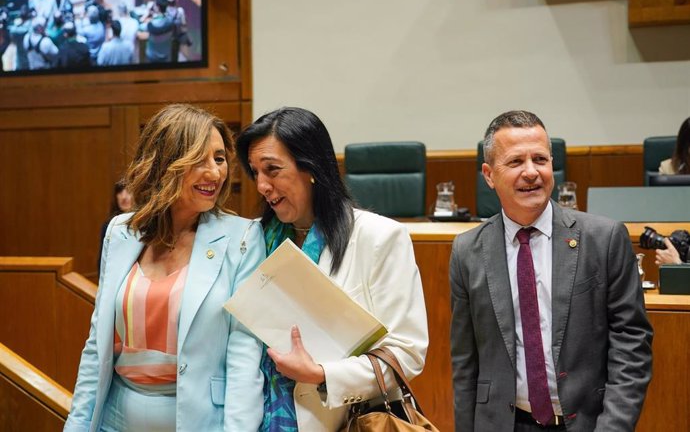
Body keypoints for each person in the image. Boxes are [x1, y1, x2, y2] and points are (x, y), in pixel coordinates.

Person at [65, 104, 266, 431]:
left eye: (219, 158)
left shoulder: (242, 238)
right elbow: (96, 343)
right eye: (199, 160)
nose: (215, 173)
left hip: (200, 421)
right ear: (166, 163)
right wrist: (77, 425)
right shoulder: (121, 232)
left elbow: (244, 357)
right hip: (114, 419)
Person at [450, 110, 653, 432]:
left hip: (588, 423)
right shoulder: (467, 251)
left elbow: (631, 343)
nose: (531, 172)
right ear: (489, 175)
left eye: (540, 160)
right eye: (516, 162)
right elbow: (465, 363)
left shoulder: (604, 239)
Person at [235, 107, 429, 431]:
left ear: (310, 167)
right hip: (252, 418)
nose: (262, 186)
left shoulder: (378, 238)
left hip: (337, 421)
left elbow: (406, 353)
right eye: (255, 172)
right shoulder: (251, 240)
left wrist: (323, 375)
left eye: (273, 170)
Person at [96, 180, 133, 273]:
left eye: (128, 191)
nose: (124, 197)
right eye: (120, 192)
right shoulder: (109, 225)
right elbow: (102, 260)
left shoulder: (144, 224)